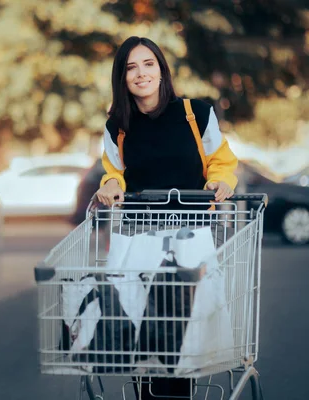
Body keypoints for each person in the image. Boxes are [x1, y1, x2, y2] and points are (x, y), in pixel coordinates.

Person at [94, 36, 238, 399]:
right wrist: (110, 184)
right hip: (140, 239)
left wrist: (220, 180)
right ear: (121, 78)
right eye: (131, 68)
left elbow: (220, 160)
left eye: (148, 64)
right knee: (145, 339)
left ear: (161, 70)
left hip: (190, 240)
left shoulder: (195, 114)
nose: (140, 73)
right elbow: (114, 171)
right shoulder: (117, 126)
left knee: (182, 338)